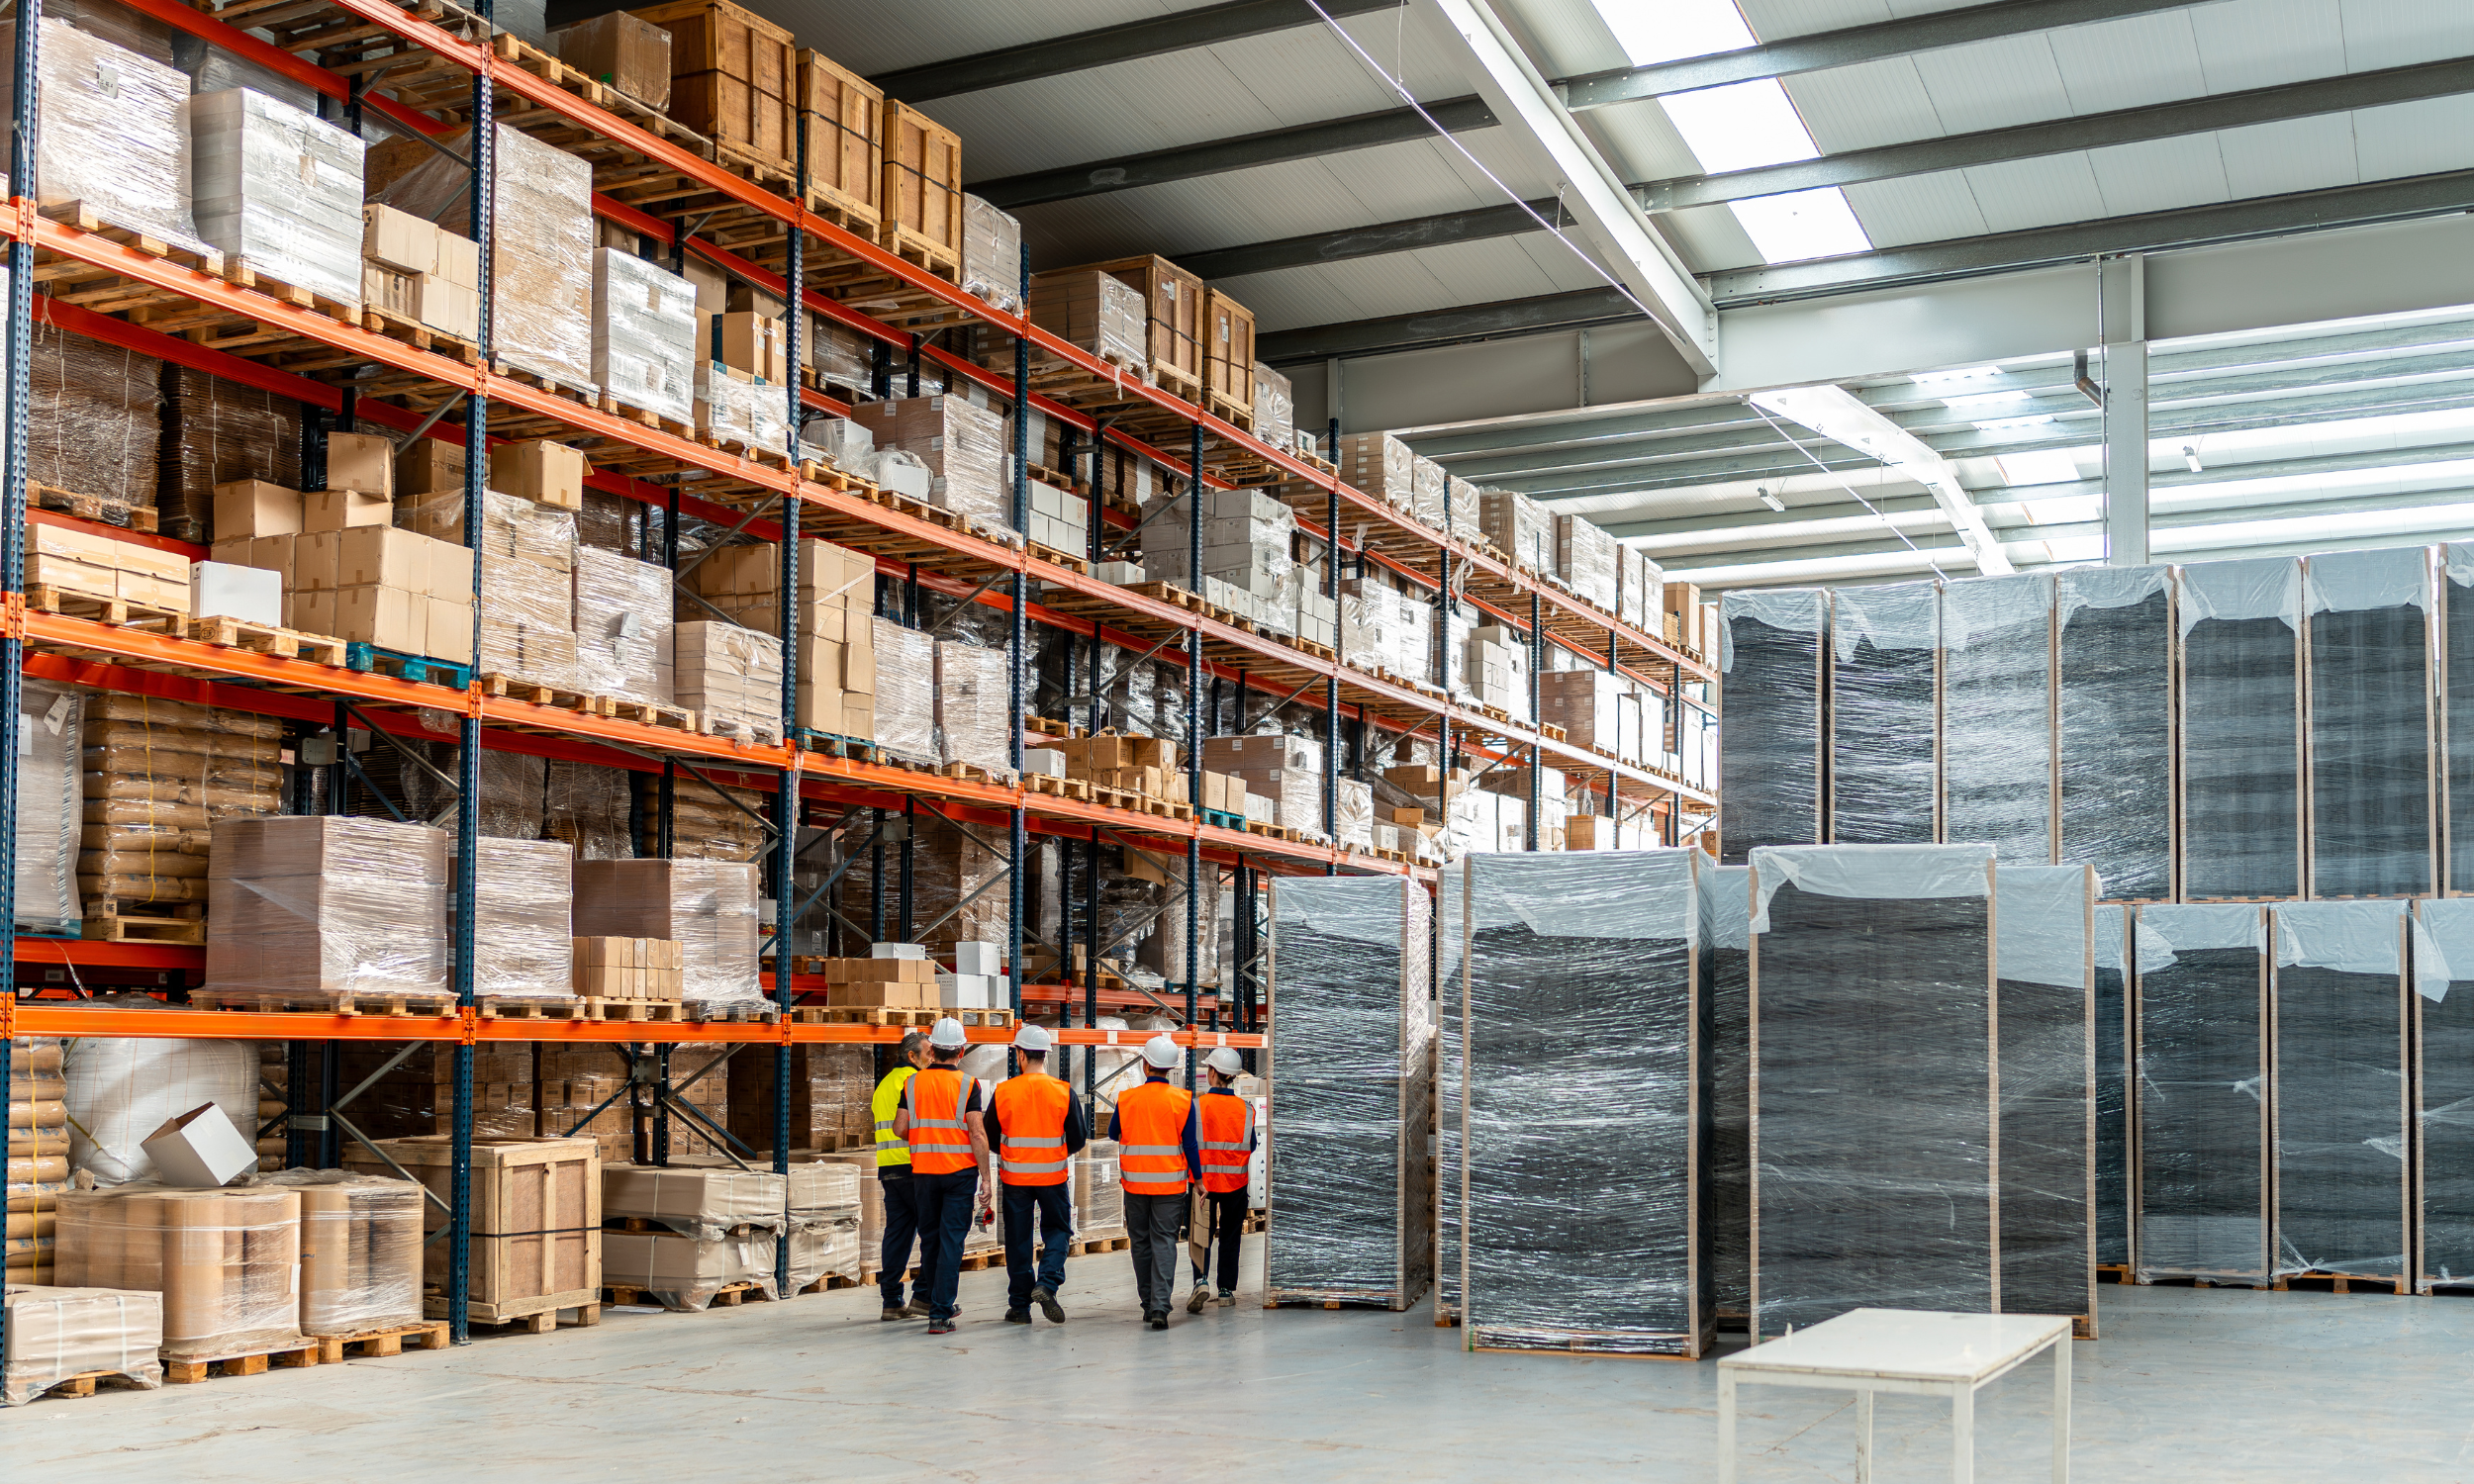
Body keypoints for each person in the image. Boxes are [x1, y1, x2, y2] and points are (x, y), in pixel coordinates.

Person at [984, 1023, 1089, 1325]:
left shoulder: (1003, 1092)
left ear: (1020, 1055)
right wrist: (1053, 1153)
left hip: (1015, 1178)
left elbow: (991, 1137)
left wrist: (1013, 1154)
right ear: (1047, 1055)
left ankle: (1019, 1307)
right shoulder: (1063, 1091)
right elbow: (1079, 1137)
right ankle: (1046, 1283)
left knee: (1018, 1241)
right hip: (1052, 1178)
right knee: (1057, 1232)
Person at [893, 1017, 991, 1336]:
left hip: (923, 1174)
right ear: (961, 1051)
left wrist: (925, 1139)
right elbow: (977, 1133)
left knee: (931, 1240)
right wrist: (986, 1178)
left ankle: (932, 1302)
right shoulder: (968, 1084)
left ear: (932, 1049)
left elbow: (900, 1128)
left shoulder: (912, 1083)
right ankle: (940, 1311)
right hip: (959, 1175)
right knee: (952, 1242)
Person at [1111, 1034, 1199, 1331]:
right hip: (1171, 1188)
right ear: (1171, 1069)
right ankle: (1161, 1307)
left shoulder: (1127, 1099)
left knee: (1140, 1243)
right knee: (1164, 1242)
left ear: (1146, 1065)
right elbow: (1190, 1146)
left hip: (1134, 1186)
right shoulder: (1183, 1101)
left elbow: (1113, 1133)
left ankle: (1148, 1304)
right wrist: (1198, 1180)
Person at [1186, 1047, 1257, 1312]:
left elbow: (1189, 1144)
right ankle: (1226, 1289)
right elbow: (1251, 1145)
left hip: (1202, 1183)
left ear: (1212, 1072)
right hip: (1235, 1184)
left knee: (1201, 1234)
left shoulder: (1196, 1106)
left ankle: (1200, 1281)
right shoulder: (1246, 1110)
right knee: (1230, 1235)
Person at [870, 1031, 930, 1322]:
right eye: (929, 1053)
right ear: (912, 1056)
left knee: (897, 1234)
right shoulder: (914, 1082)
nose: (933, 1058)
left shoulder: (883, 1085)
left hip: (888, 1168)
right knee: (934, 1233)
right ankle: (924, 1297)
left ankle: (891, 1300)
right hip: (914, 1167)